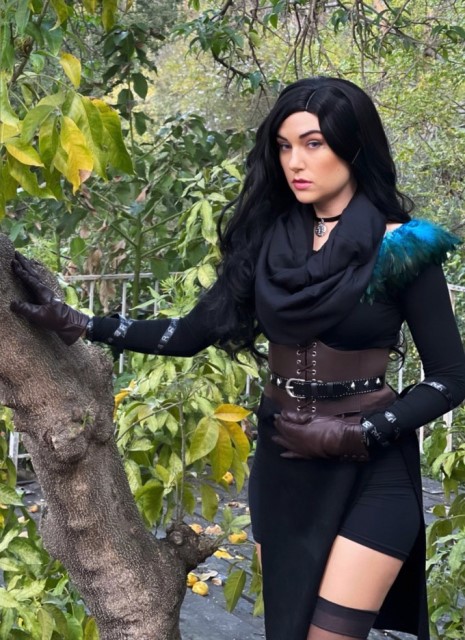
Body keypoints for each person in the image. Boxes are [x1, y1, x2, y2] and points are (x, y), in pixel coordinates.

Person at [10, 76, 465, 640]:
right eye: (284, 145)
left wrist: (361, 432)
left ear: (354, 146)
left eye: (314, 143)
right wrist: (82, 322)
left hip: (372, 461)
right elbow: (190, 332)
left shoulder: (403, 248)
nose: (295, 161)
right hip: (286, 464)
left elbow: (450, 377)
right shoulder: (269, 245)